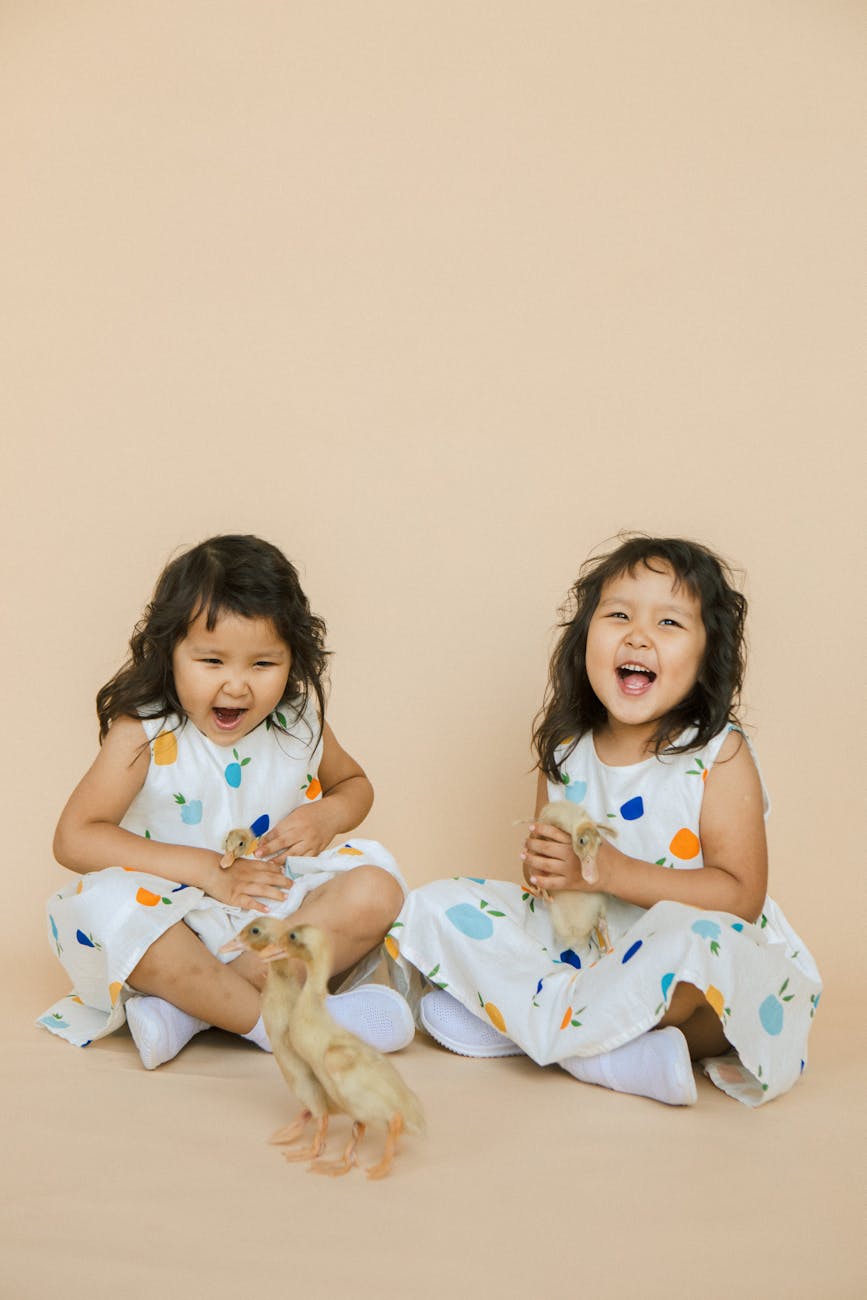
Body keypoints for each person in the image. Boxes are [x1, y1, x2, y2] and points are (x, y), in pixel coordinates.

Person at [387, 536, 821, 1106]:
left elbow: (740, 897)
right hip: (588, 954)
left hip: (684, 965)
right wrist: (550, 870)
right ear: (583, 639)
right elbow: (559, 892)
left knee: (697, 946)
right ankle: (596, 1041)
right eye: (618, 615)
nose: (637, 634)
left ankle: (537, 1033)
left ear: (707, 655)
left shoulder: (719, 755)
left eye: (669, 622)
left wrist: (609, 873)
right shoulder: (567, 750)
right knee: (436, 903)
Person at [39, 534, 412, 1068]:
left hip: (270, 911)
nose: (237, 686)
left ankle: (193, 1012)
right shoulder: (145, 731)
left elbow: (355, 785)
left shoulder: (297, 722)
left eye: (263, 664)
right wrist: (206, 870)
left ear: (293, 659)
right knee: (114, 915)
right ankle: (281, 1027)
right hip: (172, 919)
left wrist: (327, 813)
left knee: (377, 890)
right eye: (211, 660)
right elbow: (74, 837)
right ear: (170, 650)